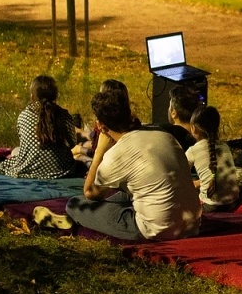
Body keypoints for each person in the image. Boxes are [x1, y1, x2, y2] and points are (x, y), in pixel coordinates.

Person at [59, 87, 202, 241]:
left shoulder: (117, 154)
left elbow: (90, 193)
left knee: (75, 203)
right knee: (123, 194)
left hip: (157, 230)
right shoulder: (165, 136)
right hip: (193, 224)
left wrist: (100, 151)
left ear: (101, 126)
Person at [0, 75, 84, 179]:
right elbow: (72, 144)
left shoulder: (24, 116)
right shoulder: (64, 115)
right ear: (55, 96)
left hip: (30, 168)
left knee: (16, 150)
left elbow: (25, 144)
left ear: (32, 97)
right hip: (62, 169)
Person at [183, 105, 242, 210]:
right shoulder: (225, 146)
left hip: (210, 206)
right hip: (233, 203)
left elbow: (179, 177)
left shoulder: (193, 151)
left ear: (193, 129)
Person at [74, 79, 139, 162]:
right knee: (87, 141)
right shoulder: (133, 121)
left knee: (79, 156)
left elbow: (98, 152)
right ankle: (82, 134)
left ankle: (81, 137)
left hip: (106, 160)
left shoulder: (106, 126)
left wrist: (79, 149)